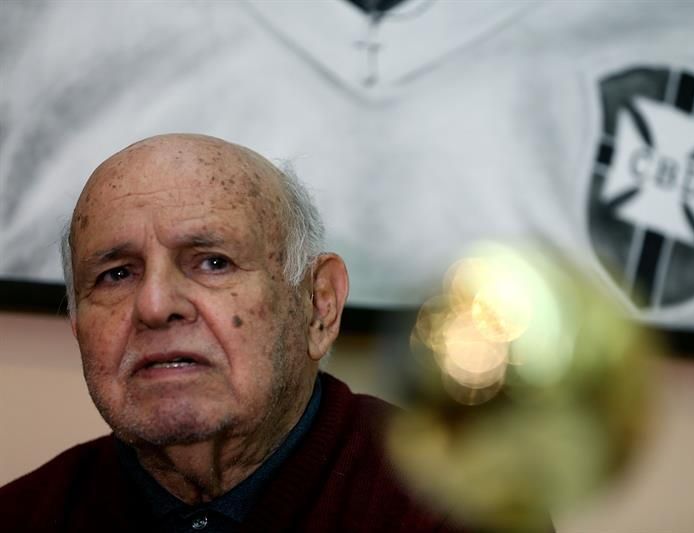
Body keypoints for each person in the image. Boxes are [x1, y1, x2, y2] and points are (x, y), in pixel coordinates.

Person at [0, 134, 461, 532]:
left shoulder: (452, 504)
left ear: (319, 305)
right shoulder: (24, 514)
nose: (154, 306)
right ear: (78, 324)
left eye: (213, 262)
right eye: (116, 274)